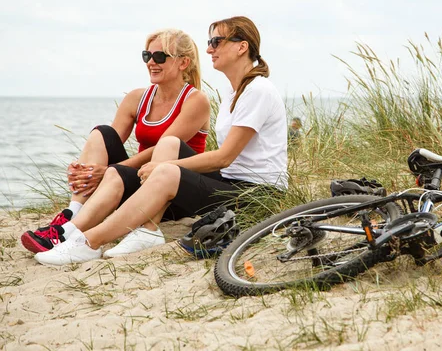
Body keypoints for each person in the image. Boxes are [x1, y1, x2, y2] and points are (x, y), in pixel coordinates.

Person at [34, 16, 288, 266]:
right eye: (210, 42)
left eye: (216, 41)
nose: (209, 49)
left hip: (257, 193)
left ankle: (88, 243)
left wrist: (164, 168)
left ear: (241, 46)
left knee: (166, 170)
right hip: (231, 181)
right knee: (168, 144)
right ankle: (146, 229)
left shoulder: (258, 90)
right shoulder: (235, 92)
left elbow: (225, 157)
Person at [21, 28, 210, 254]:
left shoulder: (196, 101)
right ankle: (72, 211)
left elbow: (163, 148)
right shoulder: (137, 98)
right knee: (102, 133)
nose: (151, 62)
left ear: (183, 63)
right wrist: (86, 171)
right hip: (140, 181)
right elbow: (111, 143)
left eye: (159, 56)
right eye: (146, 56)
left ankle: (67, 233)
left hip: (171, 192)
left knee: (131, 164)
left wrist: (109, 170)